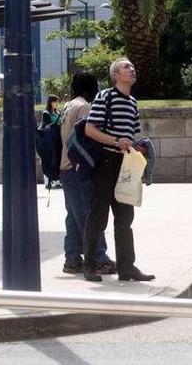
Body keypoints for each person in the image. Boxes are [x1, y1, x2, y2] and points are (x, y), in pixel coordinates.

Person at [82, 58, 155, 282]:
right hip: (105, 163)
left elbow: (132, 136)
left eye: (133, 66)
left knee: (125, 218)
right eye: (126, 67)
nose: (132, 69)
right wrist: (116, 141)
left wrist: (137, 147)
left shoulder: (132, 102)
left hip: (125, 164)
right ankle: (90, 266)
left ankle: (127, 267)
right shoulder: (105, 97)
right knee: (98, 217)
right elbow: (90, 129)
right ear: (115, 75)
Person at [58, 72, 114, 275]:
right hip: (78, 169)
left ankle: (72, 259)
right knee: (90, 215)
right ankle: (100, 258)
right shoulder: (84, 107)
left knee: (74, 215)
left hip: (65, 167)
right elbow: (88, 137)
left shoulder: (68, 105)